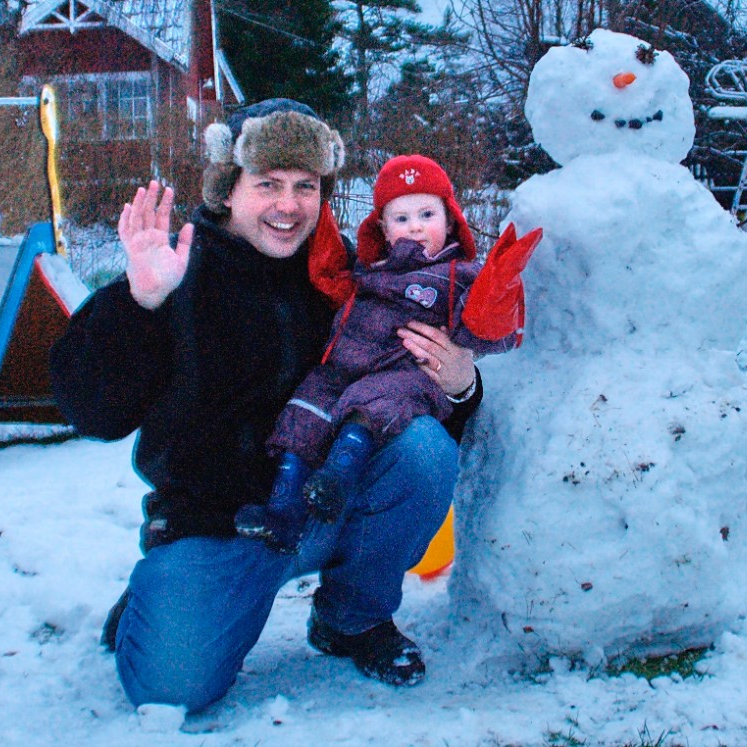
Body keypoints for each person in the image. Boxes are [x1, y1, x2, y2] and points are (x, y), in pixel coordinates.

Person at [49, 99, 486, 712]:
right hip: (215, 527)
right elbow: (93, 413)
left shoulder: (344, 282)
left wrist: (461, 383)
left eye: (305, 186)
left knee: (422, 451)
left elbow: (408, 397)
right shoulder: (176, 271)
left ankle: (350, 618)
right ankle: (163, 596)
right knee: (173, 687)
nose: (288, 205)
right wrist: (140, 304)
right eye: (268, 184)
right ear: (229, 188)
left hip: (318, 506)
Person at [235, 154, 541, 554]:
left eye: (427, 214)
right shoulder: (371, 269)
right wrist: (322, 219)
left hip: (405, 376)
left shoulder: (459, 275)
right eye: (401, 218)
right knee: (304, 412)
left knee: (374, 404)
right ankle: (283, 512)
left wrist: (500, 280)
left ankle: (338, 480)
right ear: (382, 227)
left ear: (450, 220)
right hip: (342, 371)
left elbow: (482, 327)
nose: (415, 226)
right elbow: (333, 280)